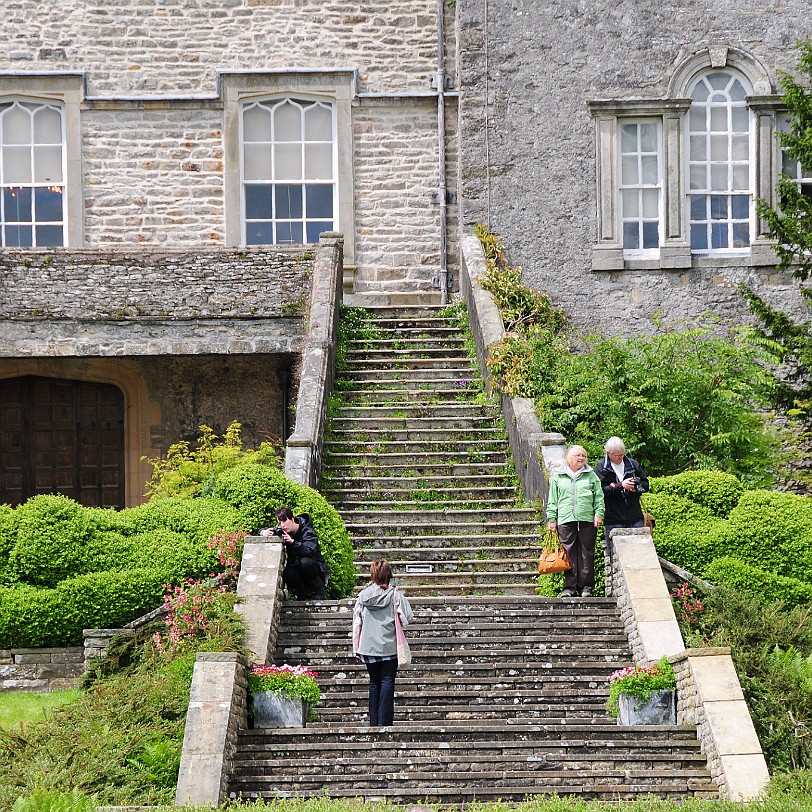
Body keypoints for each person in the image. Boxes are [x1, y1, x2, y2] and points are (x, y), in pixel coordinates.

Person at [352, 559, 414, 727]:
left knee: (374, 683)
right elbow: (407, 617)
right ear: (389, 574)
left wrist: (356, 647)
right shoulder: (395, 595)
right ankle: (384, 722)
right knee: (387, 681)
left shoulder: (363, 596)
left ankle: (374, 722)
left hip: (368, 646)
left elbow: (357, 622)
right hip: (389, 646)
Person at [546, 445, 604, 598]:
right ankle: (569, 588)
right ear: (568, 458)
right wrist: (552, 518)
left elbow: (599, 497)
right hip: (565, 520)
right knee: (568, 554)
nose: (581, 458)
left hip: (587, 520)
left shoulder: (591, 475)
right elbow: (553, 500)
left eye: (583, 456)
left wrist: (598, 514)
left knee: (587, 554)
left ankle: (586, 588)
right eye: (578, 455)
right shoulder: (559, 476)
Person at [259, 506, 330, 600]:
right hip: (296, 568)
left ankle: (319, 591)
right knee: (287, 572)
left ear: (292, 519)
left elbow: (309, 550)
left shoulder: (308, 531)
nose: (282, 525)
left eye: (284, 521)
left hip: (314, 567)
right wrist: (263, 532)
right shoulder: (282, 530)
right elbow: (264, 530)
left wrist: (293, 542)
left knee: (305, 562)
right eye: (279, 523)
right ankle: (301, 594)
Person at [594, 436, 650, 539]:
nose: (620, 458)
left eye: (622, 454)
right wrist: (620, 486)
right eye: (616, 455)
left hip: (635, 516)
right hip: (613, 519)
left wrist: (636, 487)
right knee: (616, 552)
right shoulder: (601, 468)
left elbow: (646, 484)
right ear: (608, 453)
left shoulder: (632, 464)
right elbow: (600, 491)